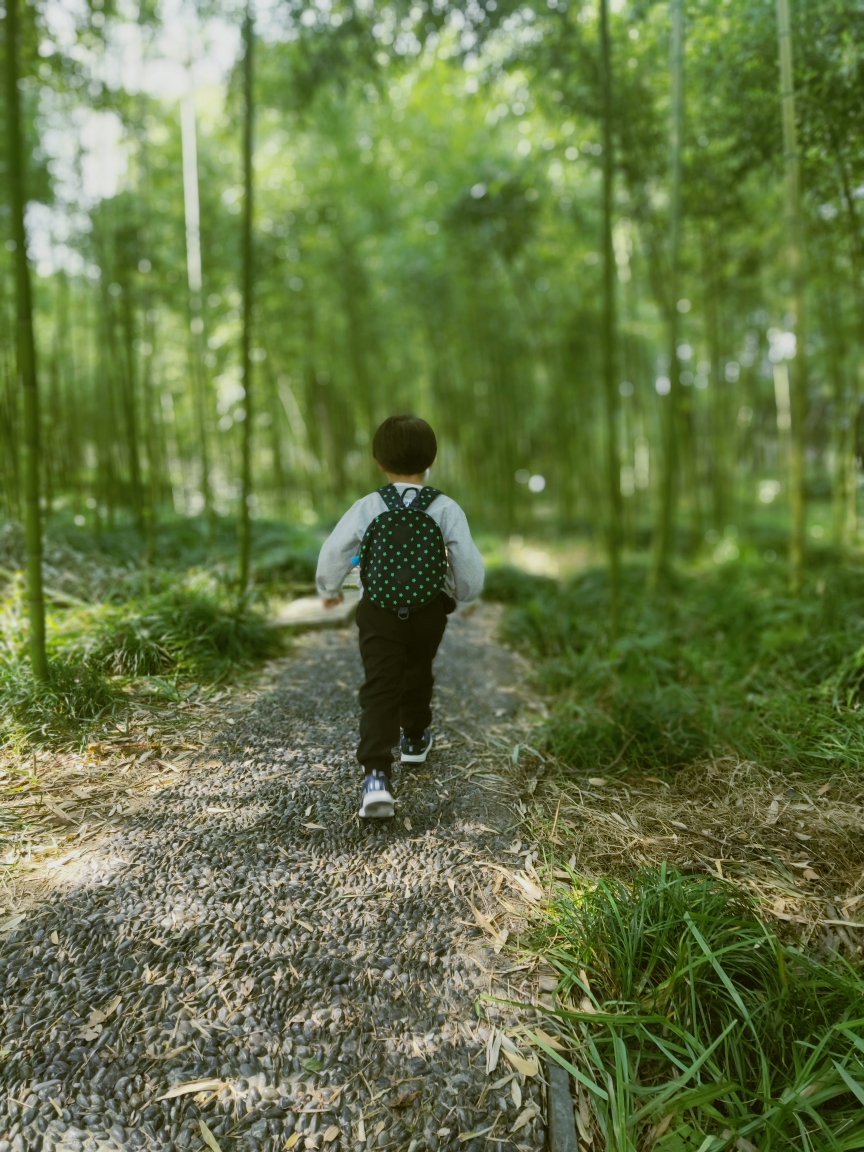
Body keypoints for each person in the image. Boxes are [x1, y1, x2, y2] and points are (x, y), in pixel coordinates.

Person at [316, 414, 484, 818]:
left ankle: (376, 776)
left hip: (378, 612)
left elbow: (335, 551)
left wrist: (329, 589)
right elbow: (467, 564)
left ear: (378, 461)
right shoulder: (444, 507)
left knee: (380, 685)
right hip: (429, 611)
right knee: (418, 669)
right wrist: (466, 595)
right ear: (430, 460)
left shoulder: (369, 506)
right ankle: (413, 739)